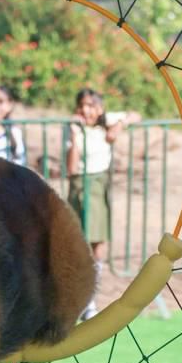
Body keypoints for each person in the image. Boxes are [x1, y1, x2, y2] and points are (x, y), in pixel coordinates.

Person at [64, 88, 140, 319]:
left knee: (99, 244)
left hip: (101, 185)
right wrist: (76, 137)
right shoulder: (75, 128)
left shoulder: (105, 122)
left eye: (91, 105)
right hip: (82, 186)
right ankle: (81, 298)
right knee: (82, 244)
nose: (86, 110)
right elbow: (71, 168)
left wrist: (119, 125)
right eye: (82, 105)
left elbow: (136, 115)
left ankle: (91, 298)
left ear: (99, 108)